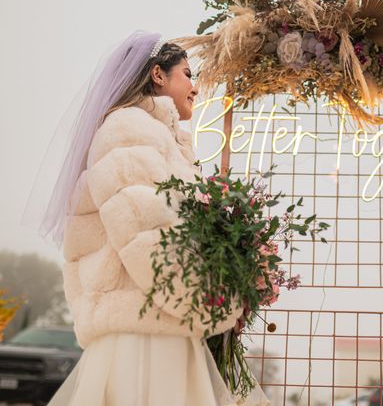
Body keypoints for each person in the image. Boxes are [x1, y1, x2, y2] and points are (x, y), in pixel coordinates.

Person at [40, 31, 268, 405]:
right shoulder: (130, 129)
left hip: (163, 320)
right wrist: (217, 299)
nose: (196, 87)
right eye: (188, 74)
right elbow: (146, 235)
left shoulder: (162, 136)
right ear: (158, 75)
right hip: (144, 334)